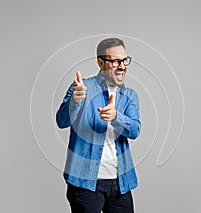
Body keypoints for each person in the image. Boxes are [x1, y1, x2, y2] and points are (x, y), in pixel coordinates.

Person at [56, 37, 141, 213]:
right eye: (116, 61)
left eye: (125, 60)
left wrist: (116, 116)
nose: (122, 66)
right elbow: (61, 121)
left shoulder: (130, 96)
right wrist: (75, 101)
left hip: (120, 184)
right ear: (100, 63)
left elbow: (134, 130)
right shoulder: (81, 88)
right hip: (86, 184)